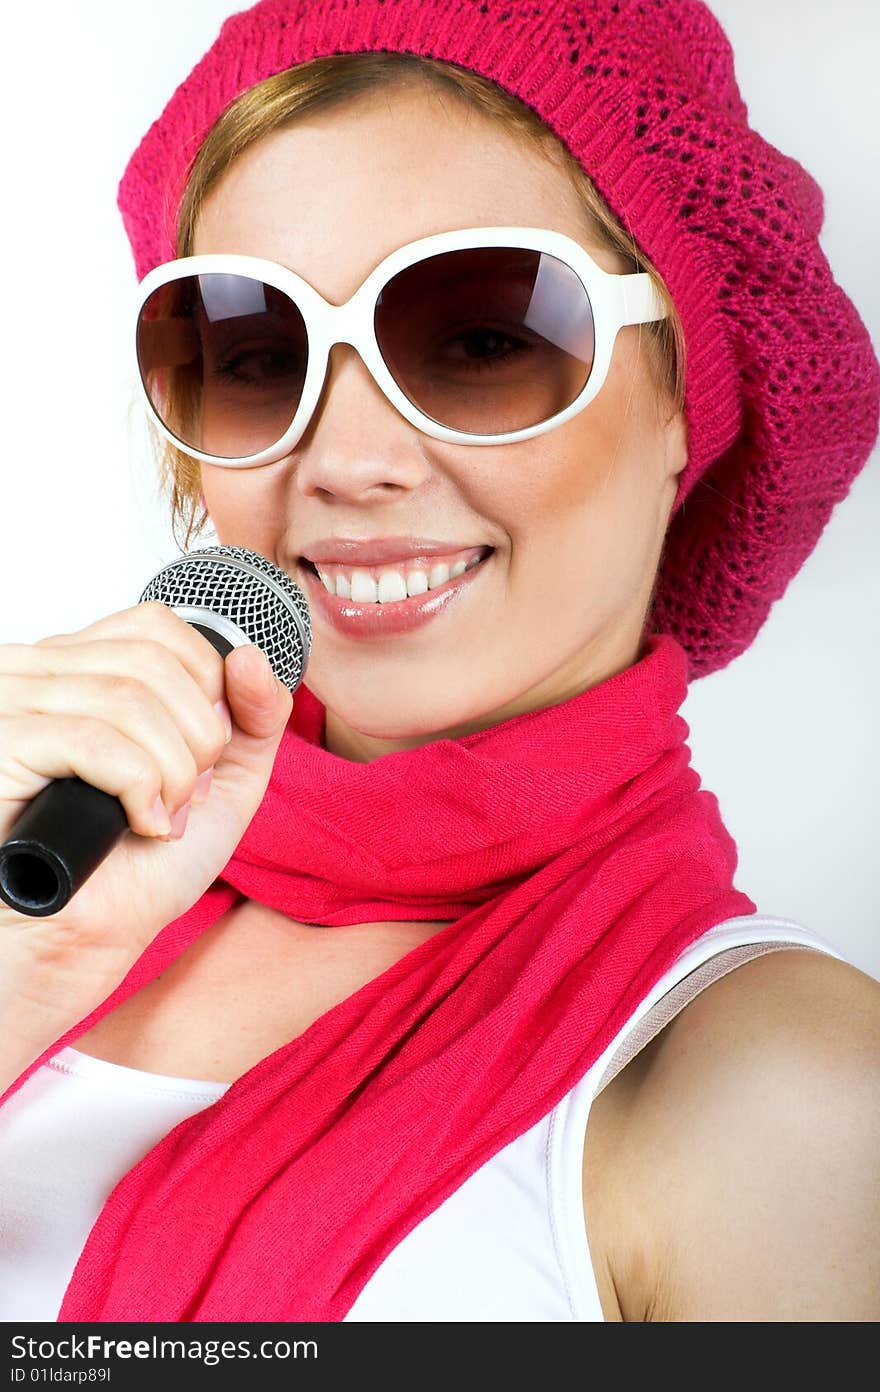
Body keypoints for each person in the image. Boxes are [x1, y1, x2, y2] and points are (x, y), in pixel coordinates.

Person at [0, 0, 878, 1323]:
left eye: (482, 341)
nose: (347, 462)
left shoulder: (784, 1090)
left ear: (692, 402)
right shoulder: (53, 884)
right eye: (258, 352)